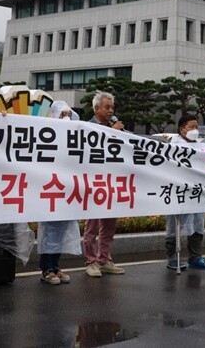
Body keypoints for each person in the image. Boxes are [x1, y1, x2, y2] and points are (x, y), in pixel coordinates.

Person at [37, 100, 83, 285]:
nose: (66, 118)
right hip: (51, 189)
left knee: (61, 231)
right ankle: (46, 269)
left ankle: (55, 266)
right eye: (62, 114)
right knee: (49, 231)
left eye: (68, 114)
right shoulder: (45, 135)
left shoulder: (73, 137)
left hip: (66, 191)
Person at [83, 91, 125, 277]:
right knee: (91, 225)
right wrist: (112, 132)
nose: (110, 111)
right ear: (96, 108)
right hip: (93, 182)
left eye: (112, 108)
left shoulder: (116, 127)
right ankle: (91, 262)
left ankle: (104, 259)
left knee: (109, 225)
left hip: (112, 182)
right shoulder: (87, 127)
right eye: (107, 107)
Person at [166, 114, 205, 270]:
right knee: (175, 226)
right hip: (178, 192)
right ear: (182, 129)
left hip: (197, 192)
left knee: (197, 224)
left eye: (197, 127)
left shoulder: (200, 146)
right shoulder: (173, 145)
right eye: (191, 127)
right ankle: (173, 257)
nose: (195, 130)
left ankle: (195, 257)